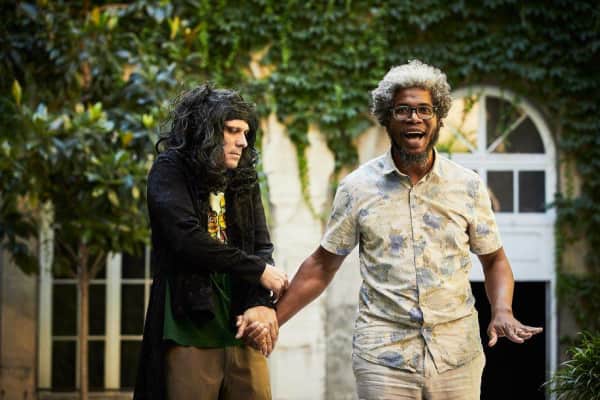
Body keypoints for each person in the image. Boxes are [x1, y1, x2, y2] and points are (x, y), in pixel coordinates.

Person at [273, 60, 543, 399]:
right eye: (402, 110)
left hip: (456, 356)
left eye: (424, 110)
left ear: (438, 118)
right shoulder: (357, 188)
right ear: (387, 118)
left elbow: (495, 260)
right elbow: (321, 265)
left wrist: (502, 309)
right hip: (383, 357)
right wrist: (272, 321)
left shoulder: (468, 186)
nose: (414, 118)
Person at [134, 84, 288, 400]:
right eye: (232, 131)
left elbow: (261, 245)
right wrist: (259, 270)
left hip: (241, 324)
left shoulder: (243, 177)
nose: (242, 142)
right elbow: (186, 239)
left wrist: (259, 302)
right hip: (190, 324)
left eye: (245, 133)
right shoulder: (170, 169)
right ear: (207, 131)